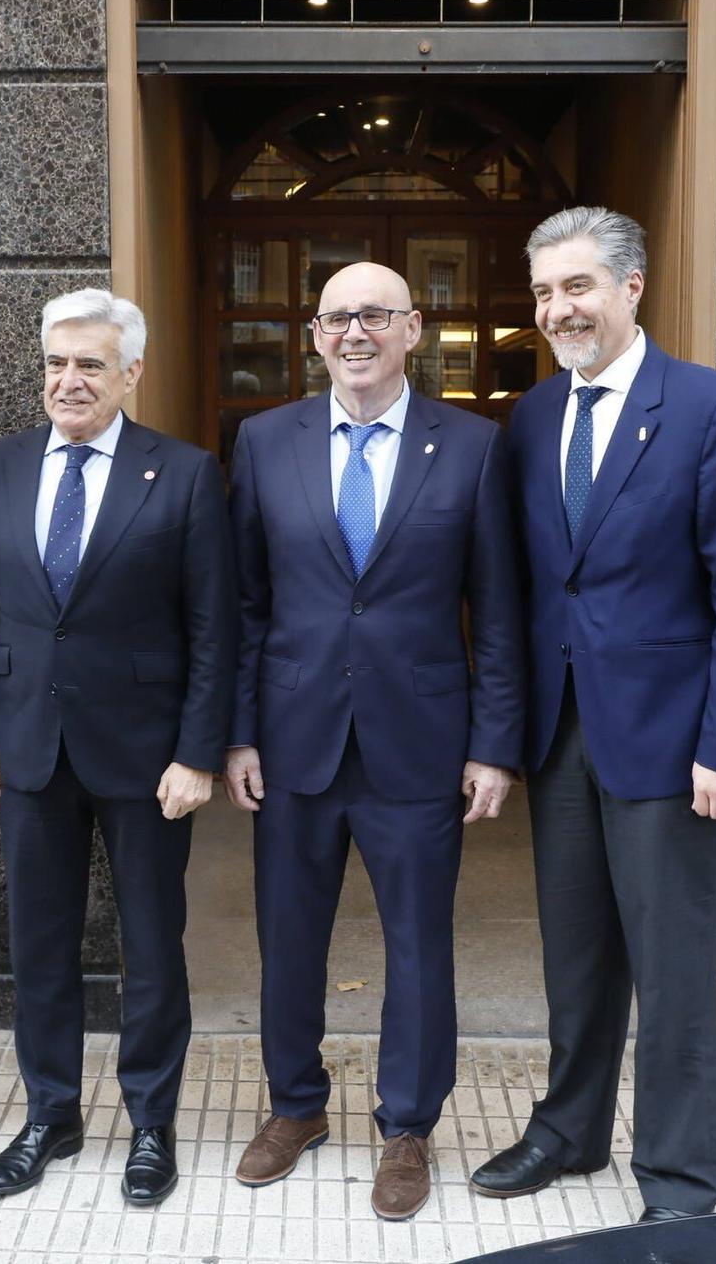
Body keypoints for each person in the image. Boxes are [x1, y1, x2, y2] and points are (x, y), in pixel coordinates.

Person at [470, 206, 716, 1222]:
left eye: (578, 287)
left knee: (672, 973)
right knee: (575, 957)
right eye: (545, 291)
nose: (558, 309)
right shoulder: (528, 420)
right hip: (563, 737)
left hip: (675, 746)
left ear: (630, 286)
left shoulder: (704, 408)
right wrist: (504, 737)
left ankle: (681, 1180)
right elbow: (524, 593)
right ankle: (568, 1131)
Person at [225, 262, 524, 1221]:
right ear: (315, 335)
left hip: (421, 743)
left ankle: (408, 1126)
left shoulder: (475, 446)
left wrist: (494, 744)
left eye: (376, 316)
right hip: (294, 736)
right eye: (337, 317)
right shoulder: (263, 441)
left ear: (413, 329)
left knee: (419, 944)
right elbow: (244, 604)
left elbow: (502, 612)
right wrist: (237, 734)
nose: (355, 332)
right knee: (289, 939)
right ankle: (295, 1106)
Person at [0, 290, 236, 1206]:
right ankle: (51, 1114)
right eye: (56, 364)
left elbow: (213, 628)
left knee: (152, 944)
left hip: (149, 758)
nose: (69, 381)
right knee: (40, 944)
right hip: (28, 745)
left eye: (90, 365)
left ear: (131, 374)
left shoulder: (184, 474)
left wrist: (198, 751)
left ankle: (151, 1121)